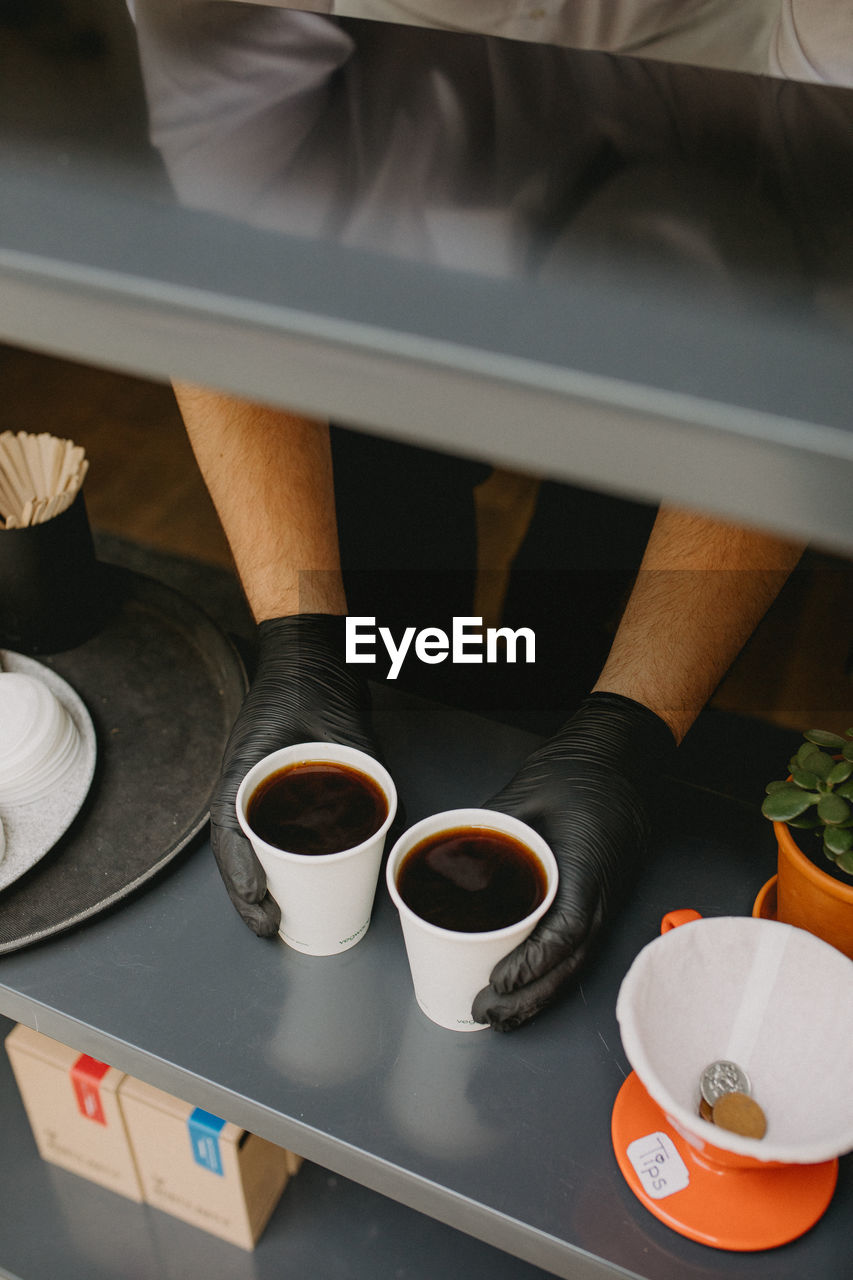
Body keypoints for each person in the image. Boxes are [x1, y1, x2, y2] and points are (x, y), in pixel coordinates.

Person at [128, 3, 835, 1028]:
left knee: (586, 583)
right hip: (389, 247)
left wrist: (626, 732)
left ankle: (559, 704)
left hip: (694, 292)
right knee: (384, 589)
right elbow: (218, 258)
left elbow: (815, 339)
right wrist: (297, 640)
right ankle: (438, 681)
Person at [174, 382, 802, 1030]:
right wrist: (300, 637)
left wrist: (626, 735)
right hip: (387, 363)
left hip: (658, 376)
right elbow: (218, 316)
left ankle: (557, 674)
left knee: (595, 520)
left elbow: (784, 388)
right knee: (396, 499)